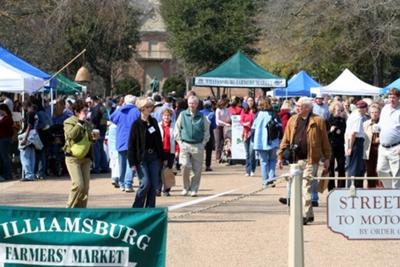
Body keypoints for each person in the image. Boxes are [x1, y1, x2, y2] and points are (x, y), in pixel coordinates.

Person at [277, 97, 331, 225]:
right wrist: (280, 156)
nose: (297, 108)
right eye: (297, 106)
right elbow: (285, 139)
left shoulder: (318, 121)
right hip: (295, 159)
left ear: (307, 108)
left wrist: (327, 158)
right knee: (295, 187)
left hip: (311, 159)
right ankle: (308, 214)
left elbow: (325, 141)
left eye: (300, 106)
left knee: (306, 187)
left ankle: (305, 215)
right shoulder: (292, 119)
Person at [128, 98, 163, 208]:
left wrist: (163, 157)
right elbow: (131, 144)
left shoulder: (153, 122)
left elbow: (158, 139)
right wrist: (132, 162)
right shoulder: (136, 124)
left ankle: (150, 210)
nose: (150, 109)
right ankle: (137, 208)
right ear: (142, 109)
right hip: (141, 158)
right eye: (148, 107)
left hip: (154, 157)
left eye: (151, 106)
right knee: (145, 183)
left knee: (153, 185)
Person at [174, 95, 210, 197]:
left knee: (197, 169)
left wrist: (203, 143)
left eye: (193, 103)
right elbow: (177, 128)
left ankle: (194, 189)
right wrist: (180, 142)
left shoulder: (202, 116)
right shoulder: (183, 114)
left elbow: (206, 131)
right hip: (185, 144)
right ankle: (185, 187)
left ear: (197, 104)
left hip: (198, 145)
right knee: (185, 165)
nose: (191, 105)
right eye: (190, 103)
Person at [63, 100, 96, 208]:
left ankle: (81, 210)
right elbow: (71, 135)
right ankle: (69, 209)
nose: (86, 113)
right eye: (84, 111)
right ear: (77, 112)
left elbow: (88, 139)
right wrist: (80, 123)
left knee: (85, 188)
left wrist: (94, 138)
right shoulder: (69, 122)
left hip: (86, 158)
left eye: (87, 111)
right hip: (73, 158)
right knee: (78, 185)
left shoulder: (87, 123)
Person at [110, 95, 140, 192]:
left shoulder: (120, 110)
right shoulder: (137, 111)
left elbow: (112, 118)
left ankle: (122, 183)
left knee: (121, 163)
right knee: (131, 163)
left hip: (121, 139)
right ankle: (127, 183)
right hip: (133, 140)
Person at [252, 98, 280, 187]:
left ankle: (265, 182)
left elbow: (253, 128)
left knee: (263, 162)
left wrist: (253, 140)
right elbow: (280, 127)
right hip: (273, 141)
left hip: (260, 141)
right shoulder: (274, 114)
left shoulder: (258, 115)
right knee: (272, 160)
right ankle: (271, 178)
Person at [376, 88, 400, 188]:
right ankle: (389, 191)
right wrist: (375, 127)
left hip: (396, 148)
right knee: (380, 170)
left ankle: (397, 196)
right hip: (383, 147)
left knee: (396, 175)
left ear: (399, 98)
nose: (391, 99)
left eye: (393, 97)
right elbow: (381, 125)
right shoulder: (385, 109)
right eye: (390, 97)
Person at [345, 100, 368, 188]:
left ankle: (351, 187)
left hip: (352, 142)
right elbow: (353, 134)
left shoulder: (352, 116)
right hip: (356, 142)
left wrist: (348, 146)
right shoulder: (358, 117)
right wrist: (350, 147)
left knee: (352, 167)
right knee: (355, 168)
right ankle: (353, 188)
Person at [327, 101, 346, 190]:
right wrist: (330, 131)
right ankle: (331, 187)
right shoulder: (328, 120)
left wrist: (340, 131)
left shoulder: (342, 120)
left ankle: (341, 187)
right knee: (330, 167)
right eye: (337, 110)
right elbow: (325, 134)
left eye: (340, 110)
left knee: (341, 167)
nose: (339, 112)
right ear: (333, 110)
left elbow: (344, 132)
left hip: (340, 145)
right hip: (330, 145)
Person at [158, 108, 176, 196]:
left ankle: (166, 190)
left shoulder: (174, 126)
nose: (166, 117)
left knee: (168, 170)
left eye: (168, 116)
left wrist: (177, 151)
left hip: (170, 151)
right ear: (162, 116)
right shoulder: (158, 125)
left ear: (171, 116)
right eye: (165, 115)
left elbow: (176, 139)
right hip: (160, 152)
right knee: (158, 171)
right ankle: (157, 189)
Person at [90, 96, 109, 174]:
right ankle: (104, 167)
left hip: (96, 130)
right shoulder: (103, 107)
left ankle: (96, 167)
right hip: (103, 130)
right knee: (101, 149)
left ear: (93, 100)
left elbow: (94, 120)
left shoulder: (96, 108)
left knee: (96, 149)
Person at [363, 104, 381, 188]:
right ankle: (370, 190)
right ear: (370, 113)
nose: (374, 114)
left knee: (380, 171)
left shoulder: (383, 123)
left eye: (376, 112)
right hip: (369, 150)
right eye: (372, 112)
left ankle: (381, 190)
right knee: (370, 171)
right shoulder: (365, 124)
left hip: (381, 150)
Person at [240, 97, 257, 177]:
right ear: (246, 102)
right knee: (247, 153)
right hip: (246, 133)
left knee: (252, 153)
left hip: (254, 133)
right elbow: (241, 121)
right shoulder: (244, 110)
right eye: (249, 101)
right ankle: (247, 170)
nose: (250, 102)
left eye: (251, 100)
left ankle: (252, 169)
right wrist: (245, 124)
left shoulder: (256, 111)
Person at [200, 100, 216, 171]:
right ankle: (207, 166)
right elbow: (214, 126)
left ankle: (199, 165)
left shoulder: (199, 113)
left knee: (199, 150)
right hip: (209, 133)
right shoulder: (212, 114)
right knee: (208, 150)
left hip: (200, 133)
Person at [0, 104, 14, 181]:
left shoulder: (7, 118)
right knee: (3, 157)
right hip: (3, 139)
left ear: (3, 110)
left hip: (4, 139)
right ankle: (4, 174)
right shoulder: (4, 118)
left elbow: (10, 130)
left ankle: (8, 175)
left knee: (5, 157)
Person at [214, 98, 230, 163]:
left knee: (223, 142)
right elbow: (217, 120)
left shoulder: (226, 109)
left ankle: (223, 156)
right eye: (226, 104)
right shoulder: (218, 110)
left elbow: (229, 116)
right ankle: (217, 157)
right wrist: (225, 123)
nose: (227, 105)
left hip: (224, 127)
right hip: (218, 127)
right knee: (218, 142)